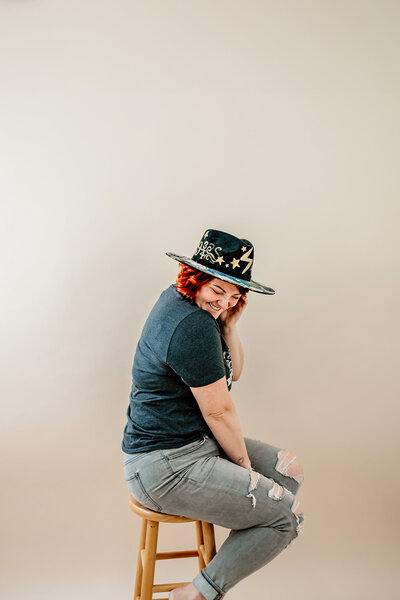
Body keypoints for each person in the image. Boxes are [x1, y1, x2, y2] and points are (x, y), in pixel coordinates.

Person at [122, 228, 305, 600]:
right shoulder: (190, 325)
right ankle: (197, 593)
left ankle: (213, 575)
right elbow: (219, 410)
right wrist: (245, 471)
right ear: (195, 278)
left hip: (194, 446)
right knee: (286, 517)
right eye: (217, 291)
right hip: (164, 468)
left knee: (290, 473)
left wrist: (229, 326)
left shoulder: (194, 310)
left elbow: (233, 372)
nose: (222, 303)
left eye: (233, 296)